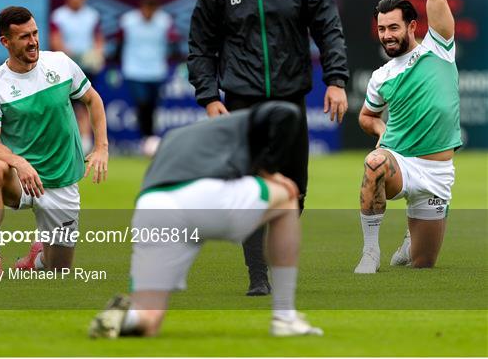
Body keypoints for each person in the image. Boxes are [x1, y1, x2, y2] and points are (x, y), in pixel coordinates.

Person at [187, 0, 349, 295]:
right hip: (241, 104)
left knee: (294, 190)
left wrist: (337, 80)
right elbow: (199, 49)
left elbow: (329, 31)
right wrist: (209, 98)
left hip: (291, 101)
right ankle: (257, 276)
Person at [88, 101, 323, 338]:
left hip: (152, 206)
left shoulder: (175, 136)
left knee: (148, 319)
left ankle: (124, 317)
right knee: (286, 200)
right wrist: (271, 173)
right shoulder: (247, 120)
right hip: (202, 196)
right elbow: (287, 113)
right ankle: (285, 316)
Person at [354, 0, 461, 274]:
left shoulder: (439, 47)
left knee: (423, 263)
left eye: (393, 28)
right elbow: (366, 118)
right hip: (399, 161)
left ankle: (409, 243)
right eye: (382, 29)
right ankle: (370, 252)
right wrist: (381, 129)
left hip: (437, 172)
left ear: (412, 26)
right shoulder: (381, 77)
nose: (386, 35)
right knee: (373, 163)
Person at [0, 6, 109, 279]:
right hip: (22, 180)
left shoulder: (60, 63)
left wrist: (101, 148)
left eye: (35, 33)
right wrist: (19, 162)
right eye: (24, 37)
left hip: (61, 184)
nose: (33, 41)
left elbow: (93, 99)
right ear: (5, 42)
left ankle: (37, 257)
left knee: (58, 270)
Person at [118, 0, 178, 155]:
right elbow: (119, 43)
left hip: (157, 71)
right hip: (134, 70)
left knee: (153, 106)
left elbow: (174, 43)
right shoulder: (128, 21)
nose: (148, 14)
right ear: (141, 8)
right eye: (146, 10)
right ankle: (146, 138)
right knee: (142, 104)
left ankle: (149, 139)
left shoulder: (164, 22)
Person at [50, 0, 104, 153]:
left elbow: (98, 39)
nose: (78, 0)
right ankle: (66, 140)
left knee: (87, 102)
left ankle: (86, 140)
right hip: (65, 67)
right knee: (65, 104)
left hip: (87, 67)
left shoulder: (92, 15)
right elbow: (55, 39)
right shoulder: (59, 15)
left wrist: (96, 55)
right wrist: (68, 56)